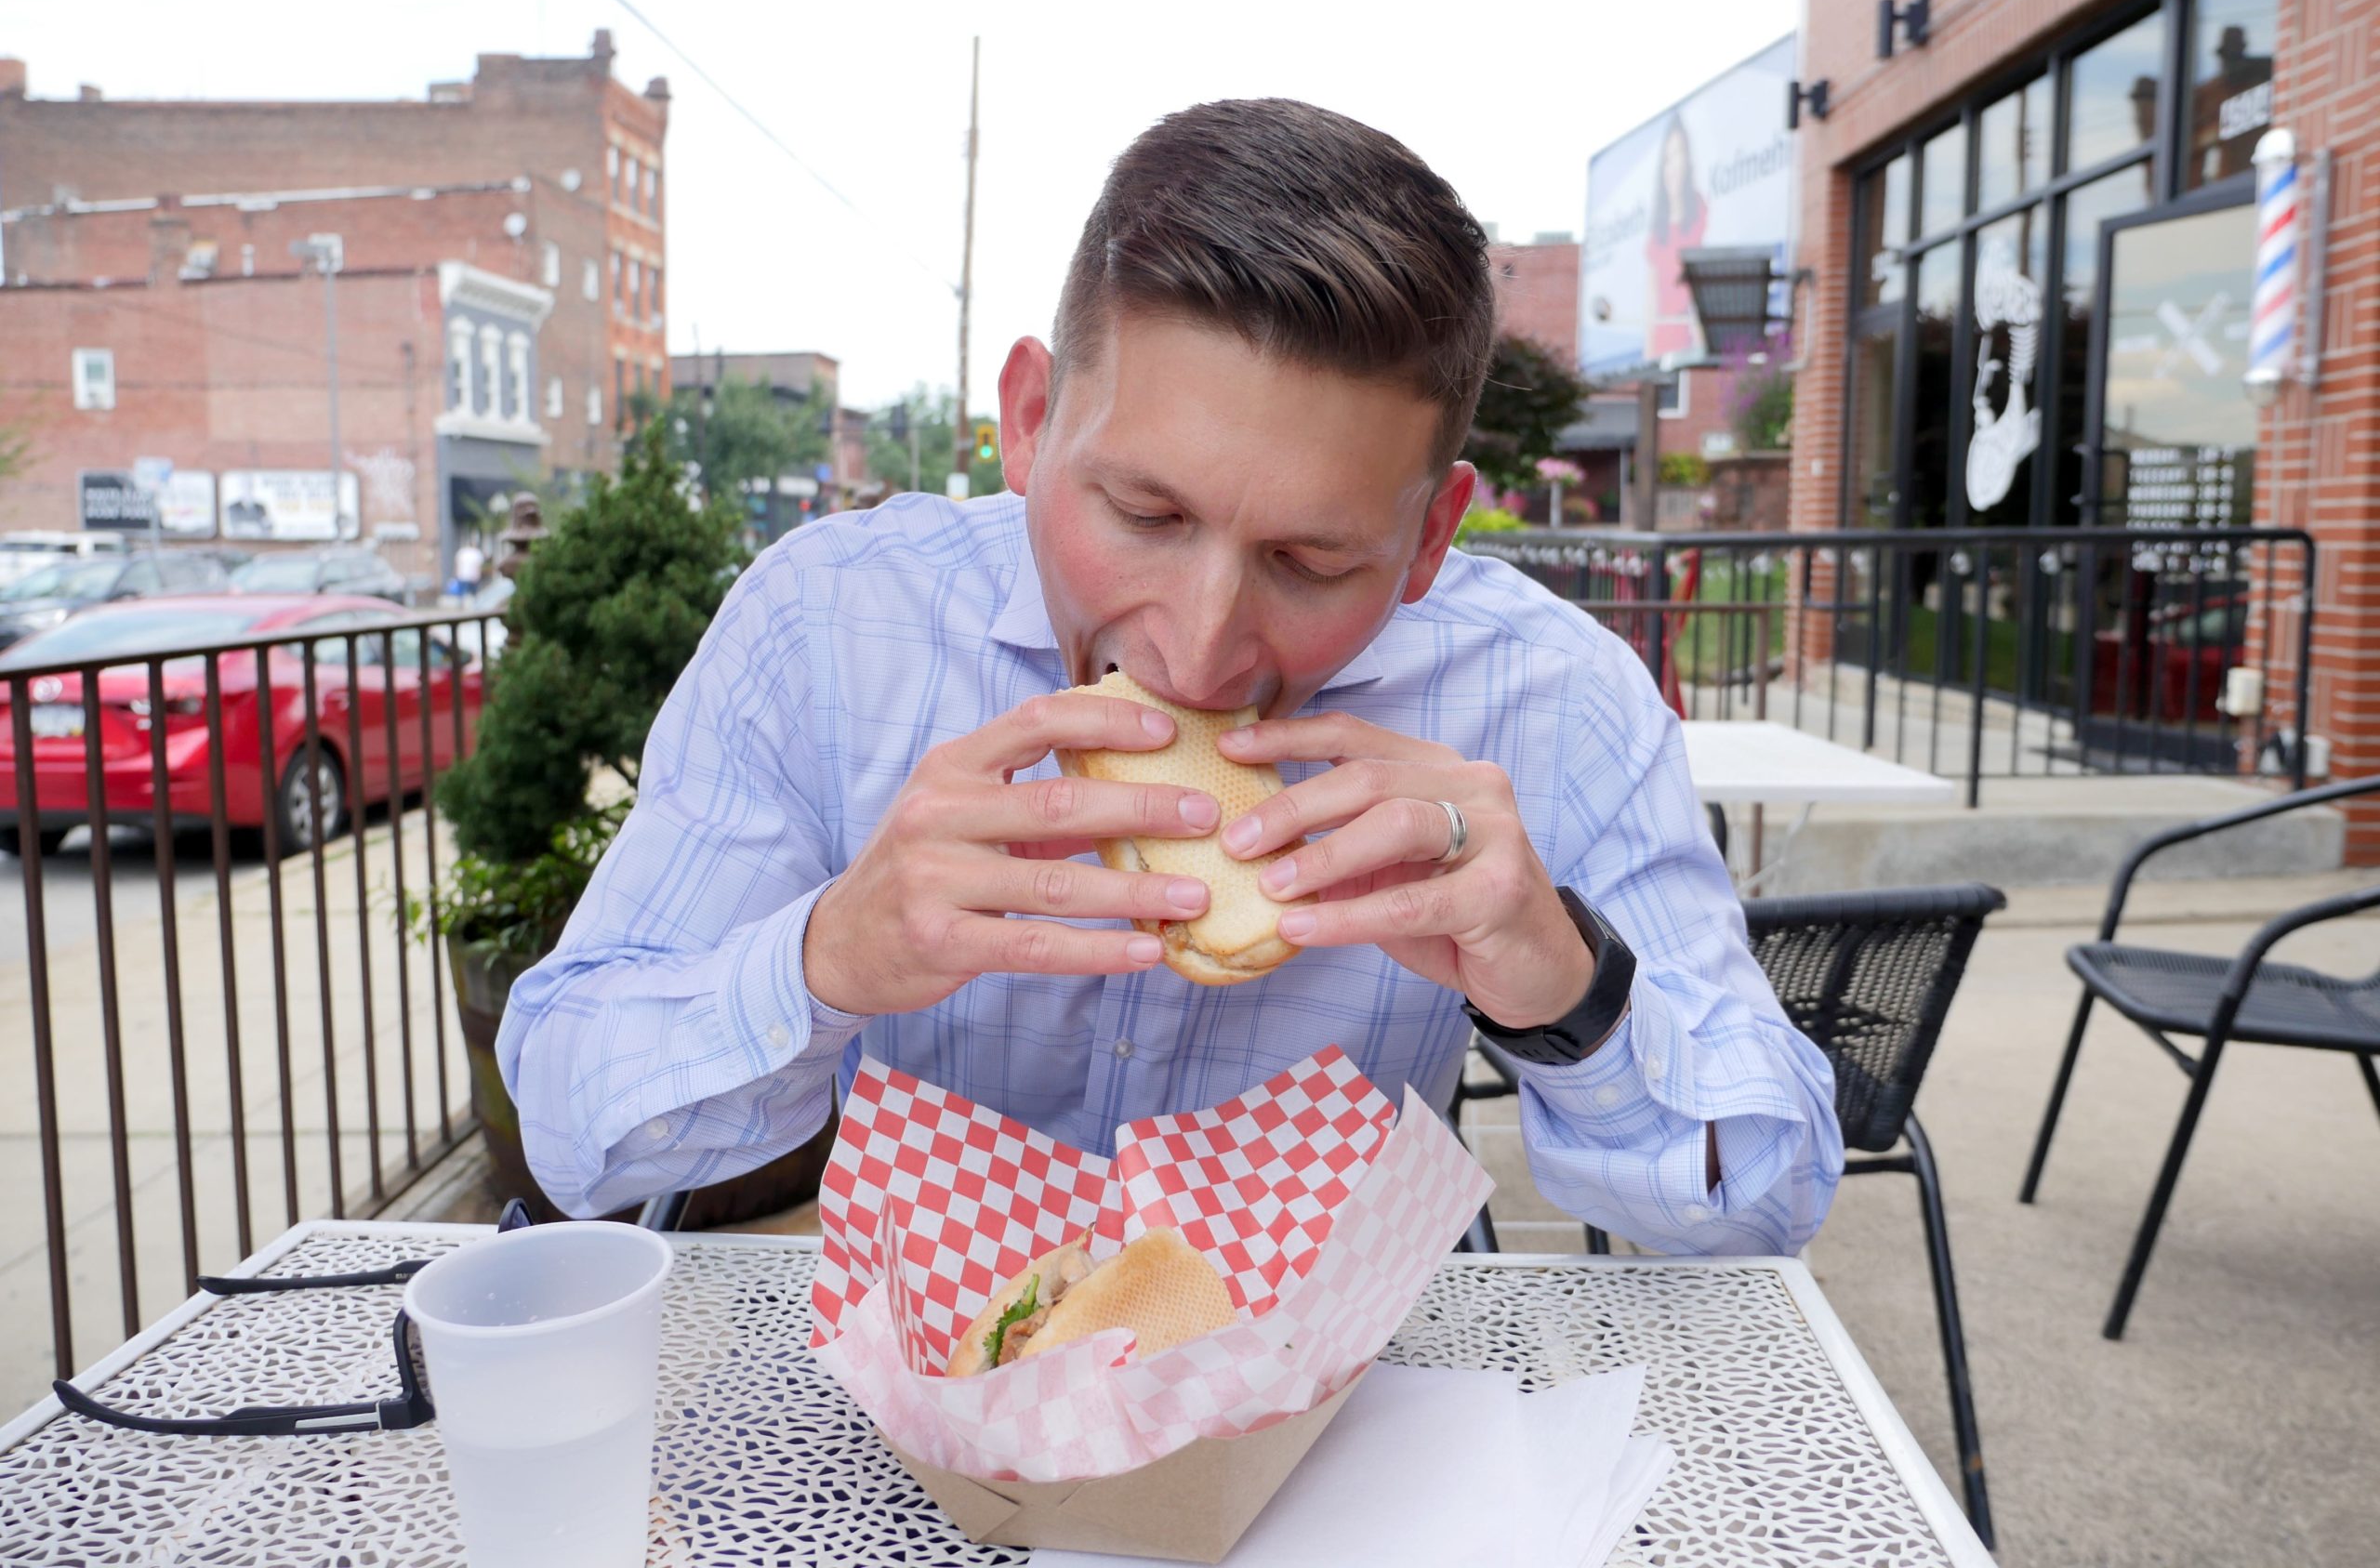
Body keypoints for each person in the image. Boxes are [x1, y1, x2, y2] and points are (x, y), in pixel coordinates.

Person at [499, 99, 1840, 1253]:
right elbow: (570, 1126)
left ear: (1431, 537)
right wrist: (825, 957)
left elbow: (1768, 1203)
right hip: (926, 1417)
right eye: (1143, 514)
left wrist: (1567, 986)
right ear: (1029, 422)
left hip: (1328, 1431)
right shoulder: (831, 624)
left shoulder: (1552, 699)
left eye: (1312, 561)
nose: (1201, 649)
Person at [1644, 113, 1708, 363]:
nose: (1673, 166)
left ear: (1687, 159)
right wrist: (1650, 355)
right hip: (1664, 341)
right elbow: (1651, 305)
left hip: (1694, 338)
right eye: (1668, 158)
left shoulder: (1699, 213)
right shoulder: (1657, 233)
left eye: (1678, 154)